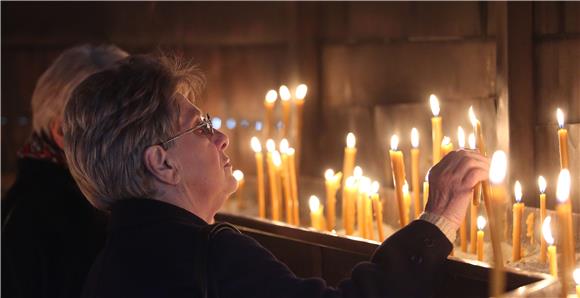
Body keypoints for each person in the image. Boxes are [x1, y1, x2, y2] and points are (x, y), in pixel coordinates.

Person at [63, 54, 490, 298]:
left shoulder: (113, 259)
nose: (223, 138)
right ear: (162, 163)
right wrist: (437, 221)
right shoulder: (209, 257)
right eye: (202, 126)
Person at [2, 45, 128, 298]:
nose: (130, 134)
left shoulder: (83, 198)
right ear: (61, 132)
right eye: (113, 120)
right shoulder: (51, 216)